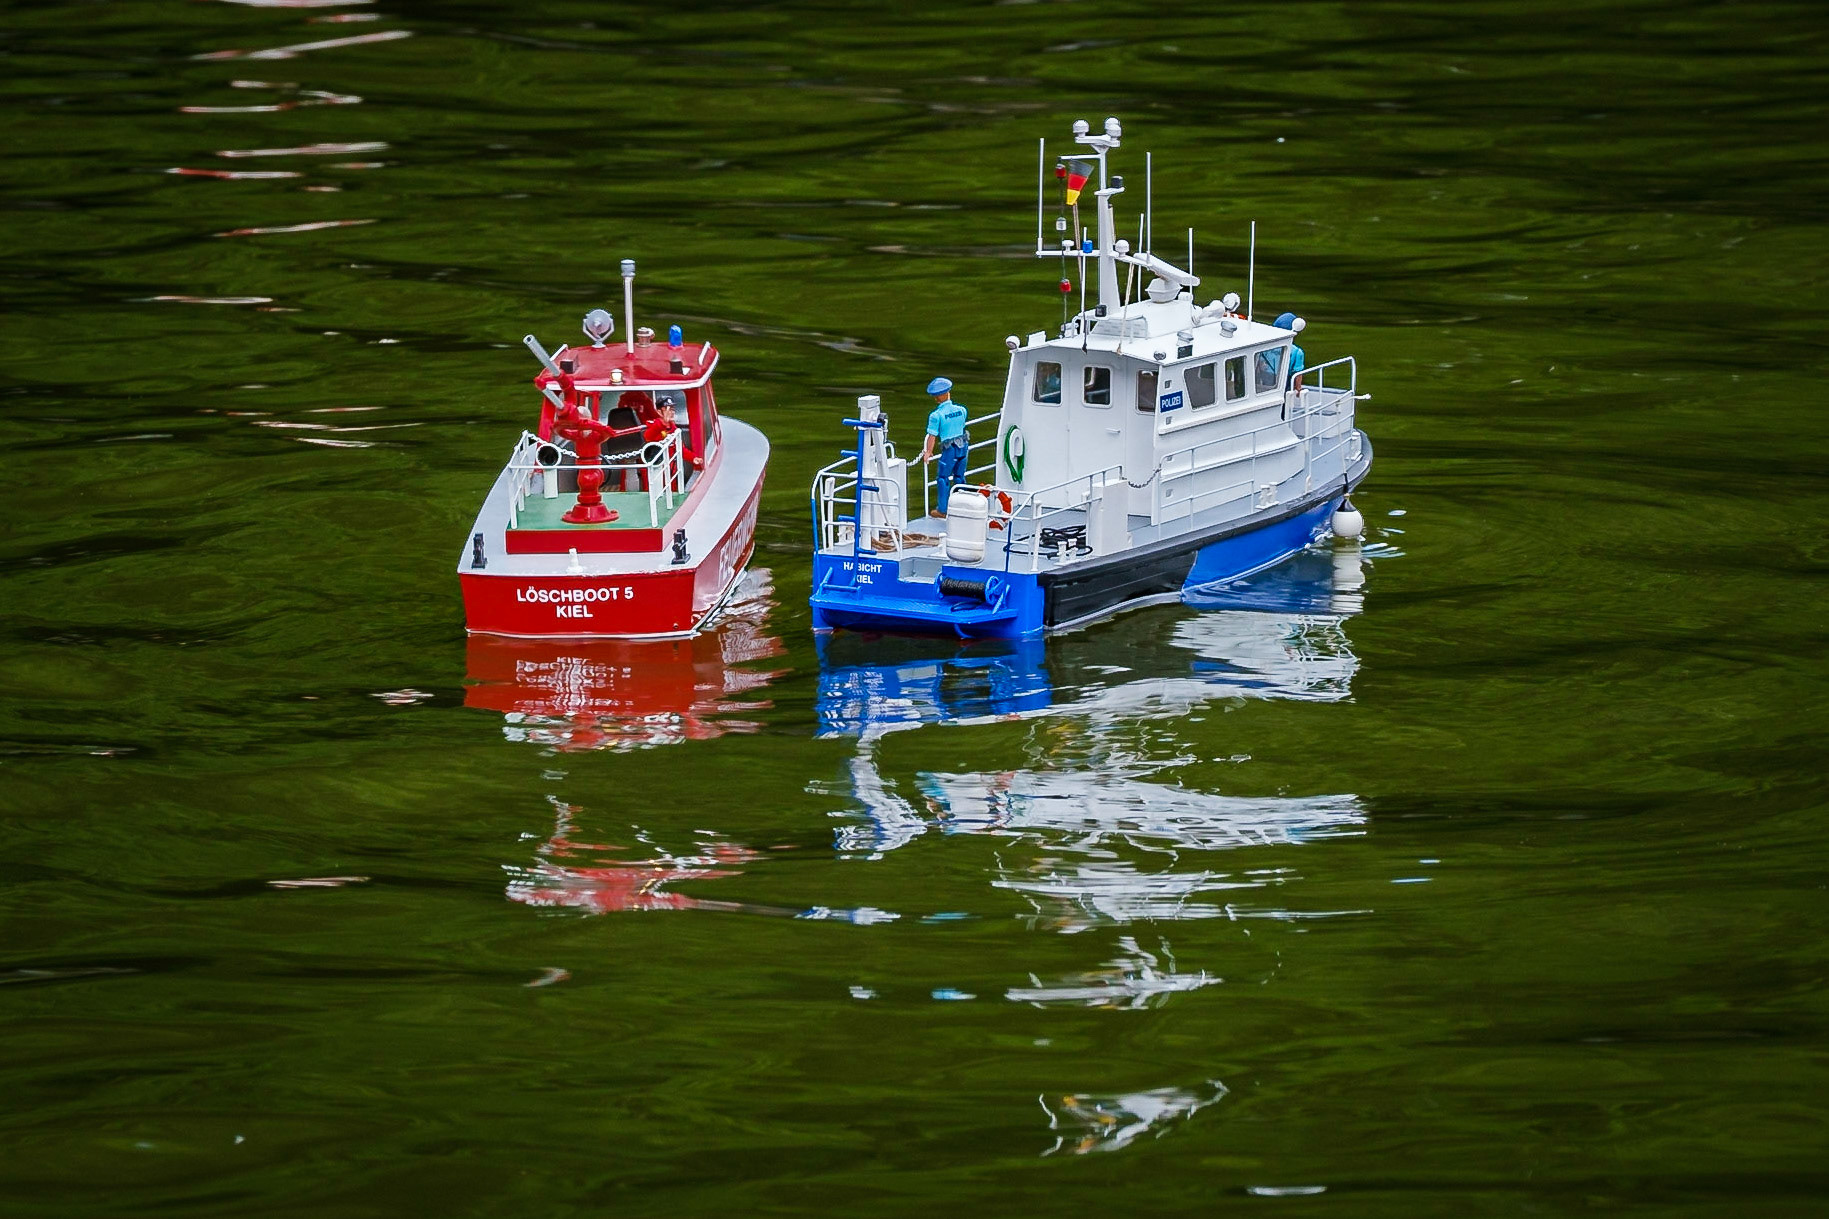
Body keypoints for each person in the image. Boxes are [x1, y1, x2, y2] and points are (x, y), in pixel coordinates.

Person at [917, 376, 969, 517]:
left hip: (949, 449)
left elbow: (932, 435)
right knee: (959, 477)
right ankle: (963, 505)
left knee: (942, 478)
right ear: (948, 392)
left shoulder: (936, 416)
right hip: (963, 446)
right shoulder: (962, 410)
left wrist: (928, 451)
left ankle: (943, 509)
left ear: (936, 397)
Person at [1273, 312, 1308, 393]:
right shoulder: (1297, 352)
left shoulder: (1267, 346)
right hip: (1284, 382)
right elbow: (1297, 374)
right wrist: (1298, 389)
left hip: (1264, 381)